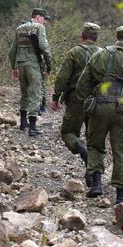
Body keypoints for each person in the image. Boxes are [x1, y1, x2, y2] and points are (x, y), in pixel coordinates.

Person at [75, 25, 123, 204]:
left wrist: (87, 101)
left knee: (95, 145)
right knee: (121, 150)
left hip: (99, 107)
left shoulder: (99, 54)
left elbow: (82, 84)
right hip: (122, 110)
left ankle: (96, 185)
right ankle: (121, 195)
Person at [51, 22, 102, 187]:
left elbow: (62, 77)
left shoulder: (74, 52)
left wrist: (55, 96)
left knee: (68, 132)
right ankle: (94, 180)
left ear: (82, 36)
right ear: (96, 38)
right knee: (94, 139)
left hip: (76, 100)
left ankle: (81, 149)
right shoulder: (104, 55)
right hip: (98, 101)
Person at [8, 8, 52, 137]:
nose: (45, 22)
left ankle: (23, 122)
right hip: (33, 64)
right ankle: (33, 127)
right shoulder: (39, 28)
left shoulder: (19, 28)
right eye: (44, 18)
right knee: (35, 93)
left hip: (21, 63)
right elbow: (44, 47)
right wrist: (49, 66)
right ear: (38, 17)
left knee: (25, 92)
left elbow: (12, 51)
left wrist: (14, 67)